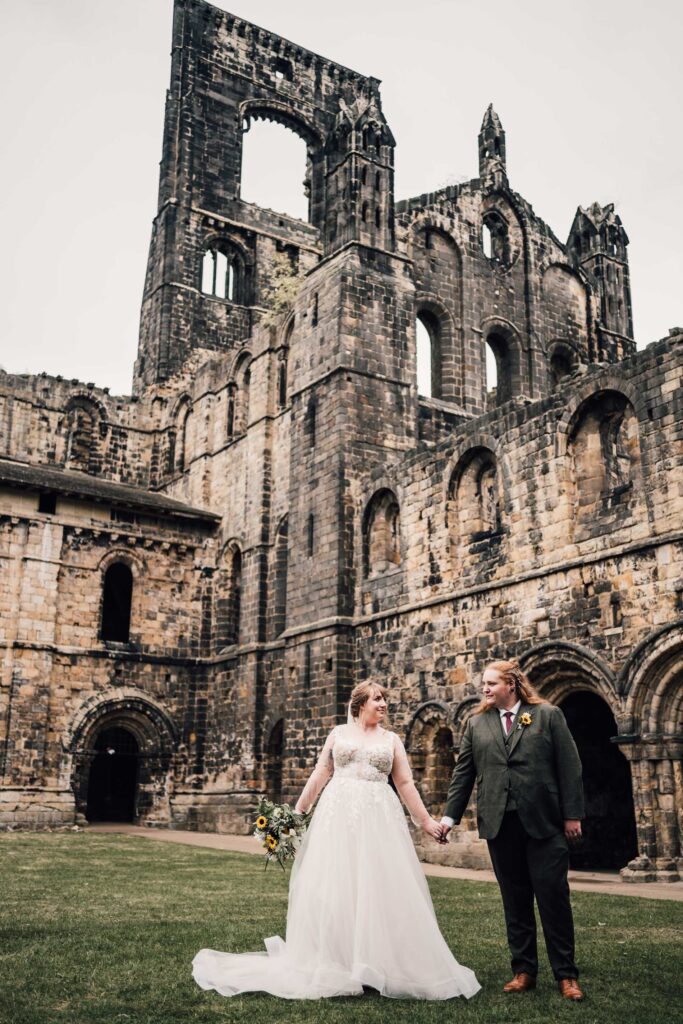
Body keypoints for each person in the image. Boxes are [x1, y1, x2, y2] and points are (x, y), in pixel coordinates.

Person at [193, 681, 480, 1000]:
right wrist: (295, 814)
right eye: (377, 699)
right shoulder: (338, 734)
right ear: (359, 704)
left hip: (378, 816)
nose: (384, 704)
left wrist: (426, 821)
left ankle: (377, 963)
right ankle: (335, 961)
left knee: (379, 887)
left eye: (385, 699)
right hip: (338, 815)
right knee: (334, 885)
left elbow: (405, 783)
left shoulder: (392, 740)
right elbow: (320, 773)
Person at [439, 659, 585, 1001]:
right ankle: (523, 971)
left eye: (491, 683)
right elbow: (464, 775)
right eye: (483, 685)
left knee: (553, 898)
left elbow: (569, 766)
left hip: (545, 823)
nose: (485, 689)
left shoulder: (547, 716)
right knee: (515, 900)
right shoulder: (477, 724)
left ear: (512, 684)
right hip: (500, 823)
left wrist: (572, 815)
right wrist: (449, 818)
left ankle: (566, 975)